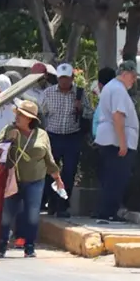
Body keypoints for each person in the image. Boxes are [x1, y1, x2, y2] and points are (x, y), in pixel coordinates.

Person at [0, 100, 62, 258]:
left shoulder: (42, 135)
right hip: (13, 180)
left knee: (32, 215)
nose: (17, 117)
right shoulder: (9, 129)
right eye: (17, 114)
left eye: (21, 115)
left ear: (30, 119)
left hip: (35, 180)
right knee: (7, 214)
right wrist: (7, 141)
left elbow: (48, 158)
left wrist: (57, 178)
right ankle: (2, 245)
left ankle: (29, 246)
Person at [93, 60, 140, 225]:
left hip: (109, 138)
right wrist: (123, 143)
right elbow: (118, 116)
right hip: (115, 141)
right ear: (125, 74)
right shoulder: (118, 90)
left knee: (111, 177)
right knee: (116, 178)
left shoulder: (111, 87)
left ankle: (106, 211)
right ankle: (108, 213)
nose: (134, 80)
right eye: (133, 76)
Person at [38, 63, 87, 218]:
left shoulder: (79, 94)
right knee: (49, 172)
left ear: (72, 78)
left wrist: (81, 108)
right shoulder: (48, 93)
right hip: (53, 136)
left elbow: (90, 112)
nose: (64, 82)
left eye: (67, 78)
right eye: (61, 78)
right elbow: (40, 113)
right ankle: (51, 202)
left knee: (69, 172)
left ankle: (62, 205)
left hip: (72, 137)